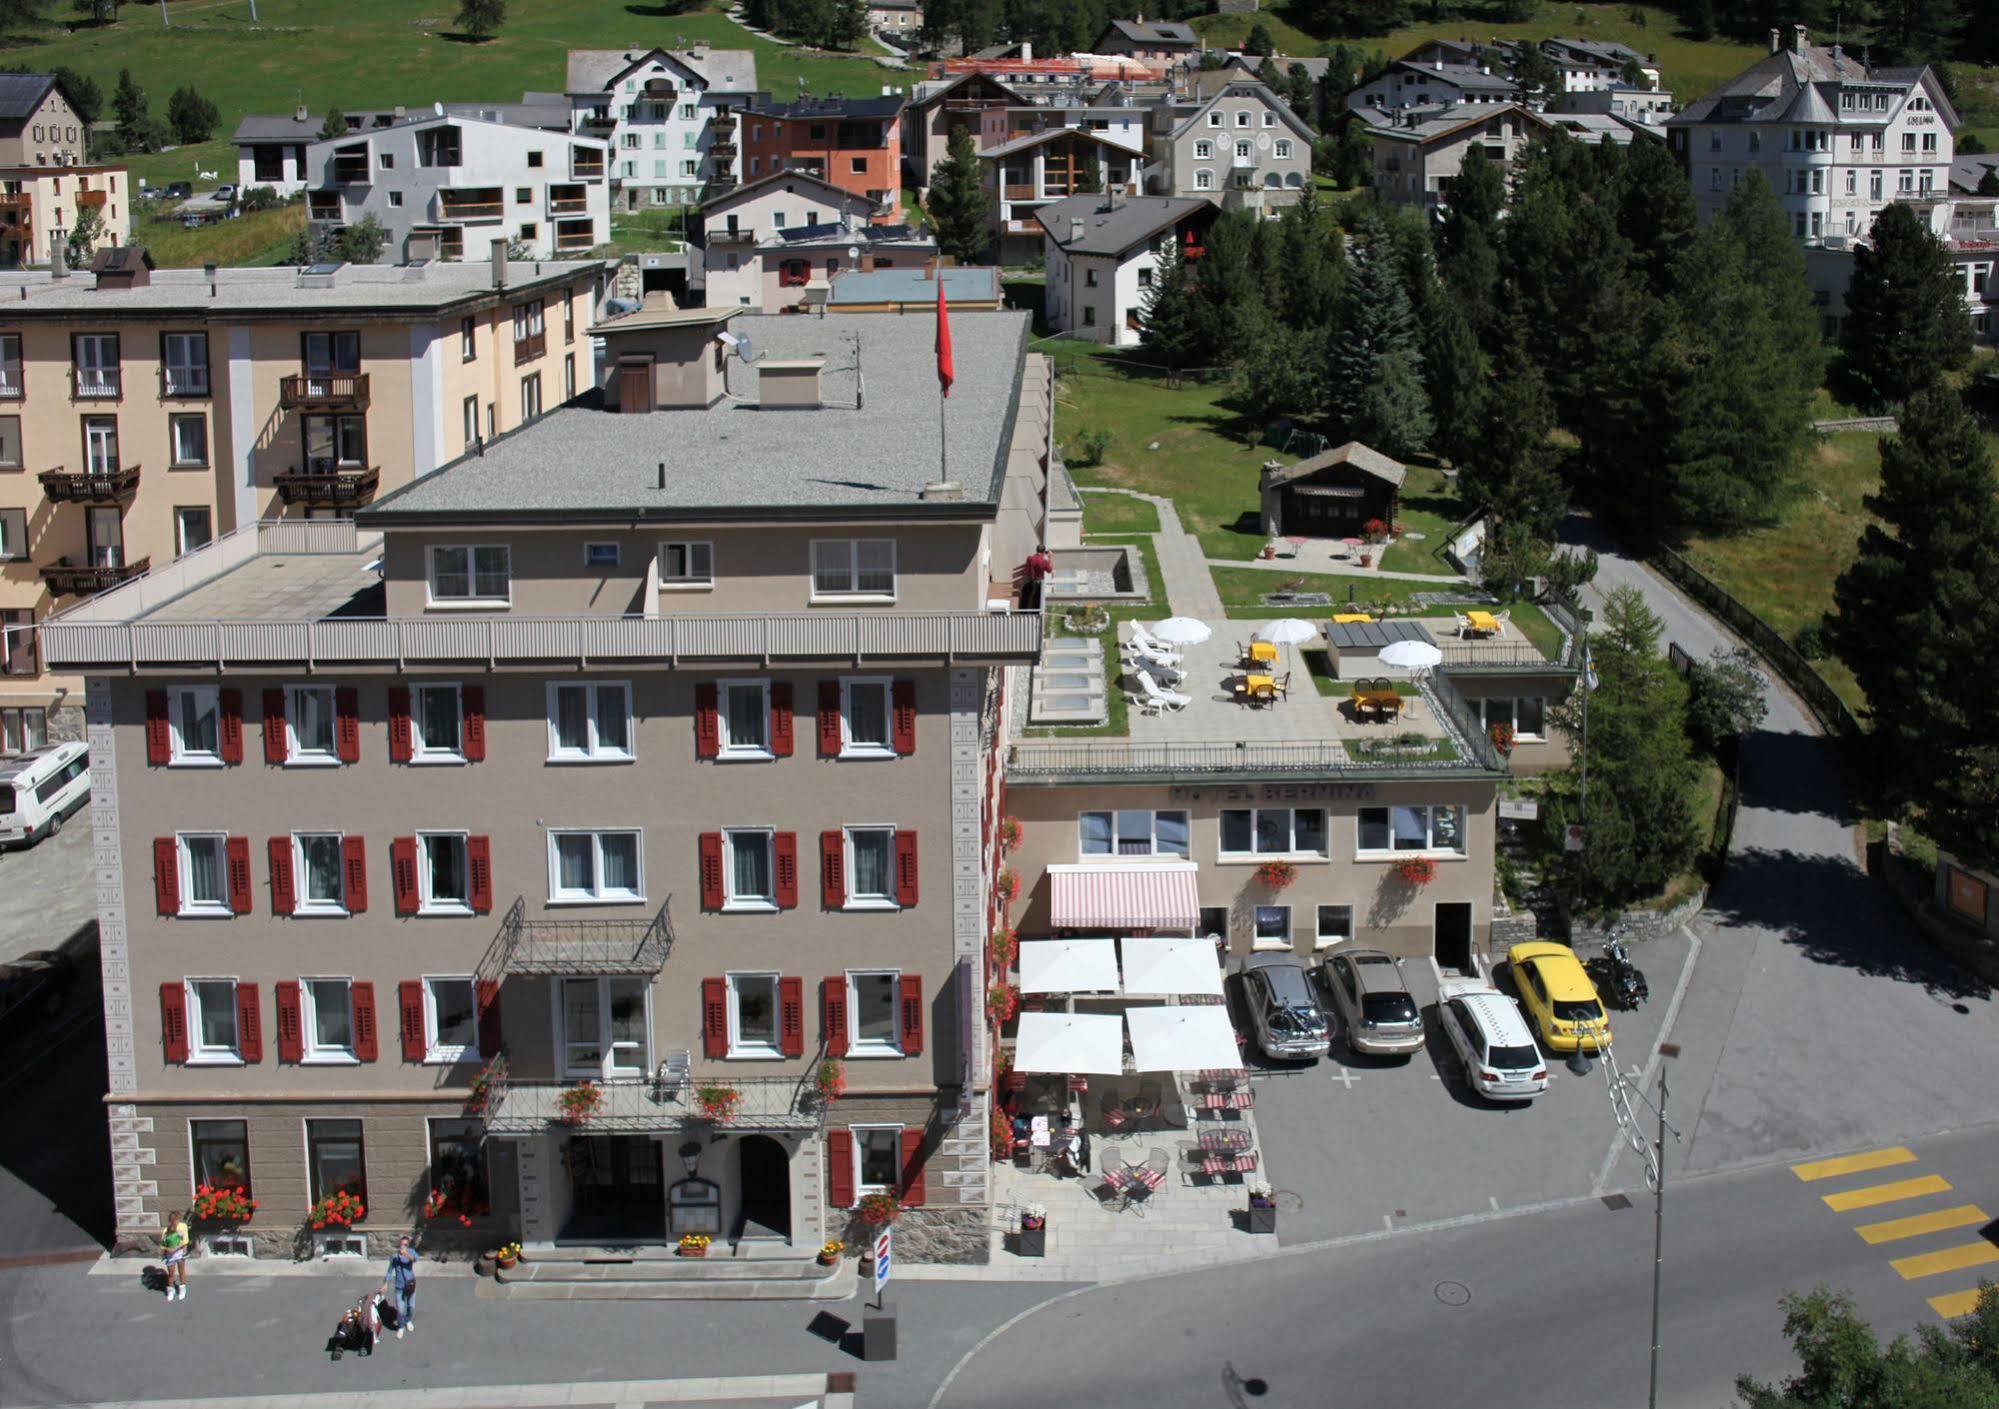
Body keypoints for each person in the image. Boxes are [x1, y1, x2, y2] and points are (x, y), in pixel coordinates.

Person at [386, 1235, 417, 1338]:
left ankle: (408, 1320)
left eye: (406, 1244)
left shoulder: (411, 1252)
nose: (404, 1246)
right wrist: (385, 1283)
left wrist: (406, 1254)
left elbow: (415, 1259)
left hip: (410, 1286)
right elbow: (390, 1271)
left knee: (411, 1308)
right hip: (400, 1287)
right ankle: (401, 1326)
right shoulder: (394, 1256)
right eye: (402, 1244)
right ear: (399, 1245)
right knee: (400, 1310)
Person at [160, 1209, 190, 1302]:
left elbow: (184, 1241)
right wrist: (167, 1249)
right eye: (174, 1220)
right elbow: (162, 1244)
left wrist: (175, 1248)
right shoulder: (166, 1231)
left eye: (177, 1219)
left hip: (180, 1253)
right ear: (171, 1221)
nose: (176, 1222)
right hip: (170, 1256)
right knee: (171, 1274)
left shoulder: (180, 1228)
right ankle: (171, 1291)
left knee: (181, 1271)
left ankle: (182, 1289)